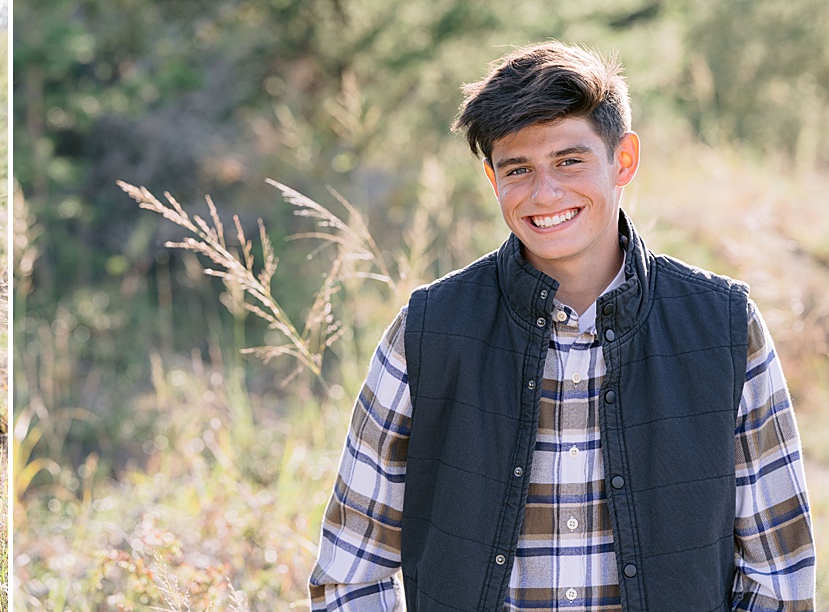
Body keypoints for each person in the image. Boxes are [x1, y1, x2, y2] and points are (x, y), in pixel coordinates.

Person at [309, 42, 814, 611]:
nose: (544, 193)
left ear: (623, 160)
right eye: (517, 169)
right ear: (492, 178)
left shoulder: (724, 327)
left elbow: (778, 577)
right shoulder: (428, 333)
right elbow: (351, 571)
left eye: (569, 161)